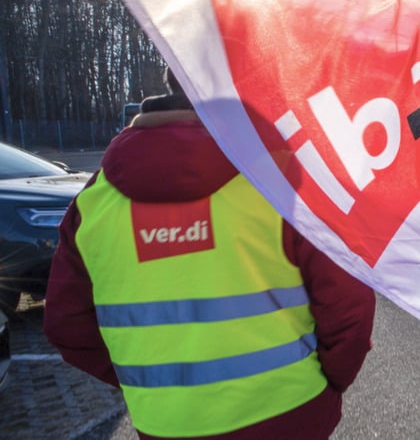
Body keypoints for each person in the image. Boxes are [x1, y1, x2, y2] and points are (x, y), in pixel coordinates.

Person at [43, 68, 376, 440]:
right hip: (290, 413)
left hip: (163, 424)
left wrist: (151, 387)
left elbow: (66, 324)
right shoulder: (281, 176)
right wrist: (329, 389)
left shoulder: (94, 200)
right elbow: (349, 307)